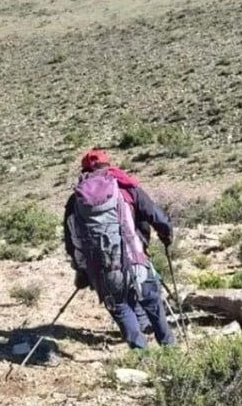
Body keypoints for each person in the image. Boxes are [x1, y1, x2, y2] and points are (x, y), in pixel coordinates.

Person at [63, 149, 176, 349]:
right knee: (151, 300)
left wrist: (81, 269)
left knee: (121, 307)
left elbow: (72, 241)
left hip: (103, 268)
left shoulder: (76, 200)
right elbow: (155, 215)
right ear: (108, 165)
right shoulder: (125, 187)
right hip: (135, 257)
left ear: (85, 170)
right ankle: (170, 350)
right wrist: (166, 234)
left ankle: (143, 356)